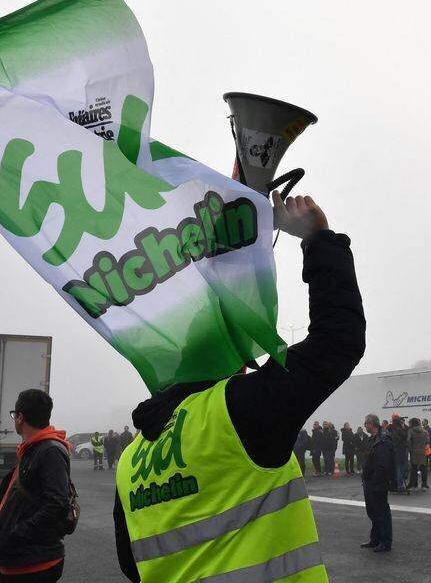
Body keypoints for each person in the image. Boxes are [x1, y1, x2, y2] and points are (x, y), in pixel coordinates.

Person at [112, 193, 364, 582]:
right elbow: (337, 339)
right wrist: (319, 239)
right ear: (235, 358)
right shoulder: (235, 412)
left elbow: (133, 565)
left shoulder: (131, 459)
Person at [0, 389, 73, 582]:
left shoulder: (50, 451)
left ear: (20, 418)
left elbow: (57, 504)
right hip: (21, 561)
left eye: (14, 415)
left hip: (34, 564)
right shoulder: (33, 448)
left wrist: (16, 534)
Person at [361, 413, 394, 552]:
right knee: (373, 511)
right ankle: (375, 539)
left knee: (382, 512)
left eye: (366, 423)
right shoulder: (373, 440)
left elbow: (383, 465)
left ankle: (385, 542)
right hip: (370, 482)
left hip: (377, 482)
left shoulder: (383, 441)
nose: (364, 426)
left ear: (371, 424)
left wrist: (374, 481)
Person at [407, 418, 429, 490]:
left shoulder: (410, 431)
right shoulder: (425, 432)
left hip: (414, 452)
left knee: (414, 468)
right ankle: (424, 485)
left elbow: (408, 441)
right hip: (422, 452)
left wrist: (410, 449)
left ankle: (414, 485)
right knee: (423, 468)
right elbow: (427, 441)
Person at [389, 414, 409, 493]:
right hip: (400, 451)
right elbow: (405, 437)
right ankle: (400, 485)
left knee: (394, 468)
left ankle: (393, 485)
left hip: (392, 450)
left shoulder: (389, 428)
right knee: (399, 468)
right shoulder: (400, 429)